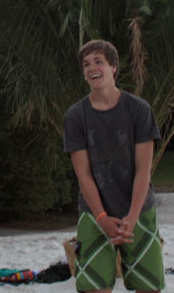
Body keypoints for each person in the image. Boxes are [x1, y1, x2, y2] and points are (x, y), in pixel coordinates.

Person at [63, 39, 165, 293]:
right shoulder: (76, 116)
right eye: (86, 64)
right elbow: (83, 175)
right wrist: (102, 217)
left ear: (114, 67)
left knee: (149, 287)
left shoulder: (139, 110)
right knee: (94, 288)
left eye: (98, 61)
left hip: (139, 210)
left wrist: (131, 217)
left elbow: (143, 170)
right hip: (94, 212)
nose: (91, 68)